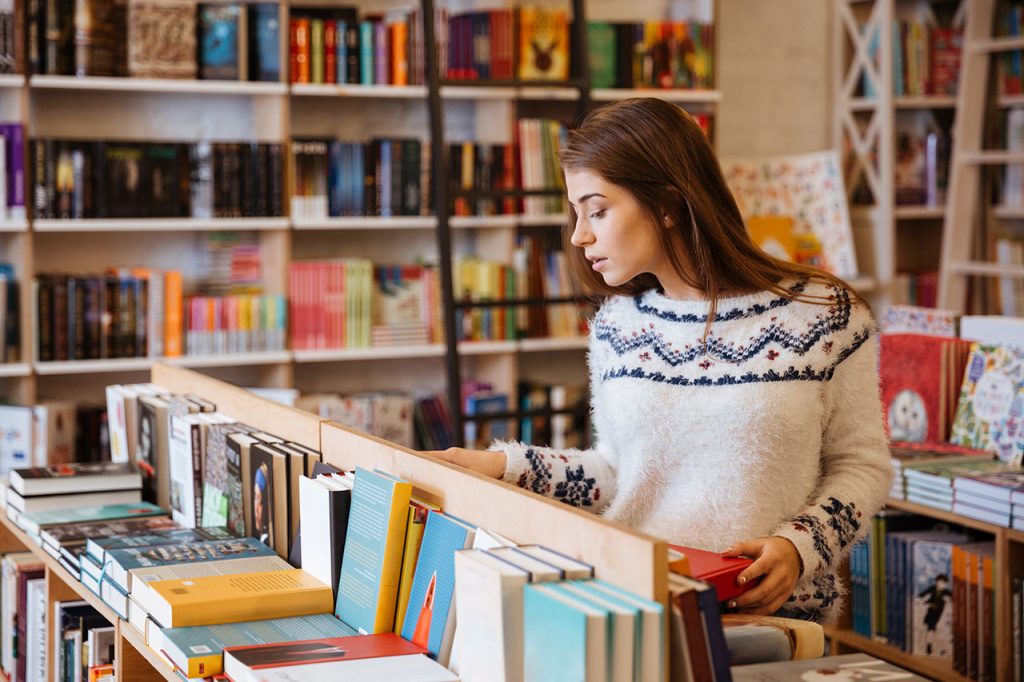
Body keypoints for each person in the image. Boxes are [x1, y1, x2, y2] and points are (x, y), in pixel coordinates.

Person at [425, 98, 892, 624]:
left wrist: (798, 548)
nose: (580, 235)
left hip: (769, 617)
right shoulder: (617, 326)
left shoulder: (826, 314)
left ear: (668, 203)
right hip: (637, 606)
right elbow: (619, 475)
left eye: (597, 210)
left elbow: (862, 466)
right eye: (577, 213)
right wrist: (502, 466)